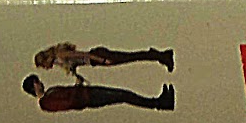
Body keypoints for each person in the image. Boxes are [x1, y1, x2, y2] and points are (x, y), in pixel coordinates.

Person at [22, 74, 174, 112]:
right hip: (89, 98)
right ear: (33, 87)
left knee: (123, 95)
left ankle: (158, 102)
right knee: (123, 96)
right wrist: (77, 87)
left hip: (88, 94)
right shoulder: (46, 102)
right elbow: (69, 103)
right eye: (37, 82)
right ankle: (159, 103)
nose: (40, 83)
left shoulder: (49, 93)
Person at [33, 42, 174, 80]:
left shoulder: (61, 55)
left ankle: (159, 55)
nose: (46, 68)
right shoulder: (58, 61)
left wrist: (103, 60)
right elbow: (74, 64)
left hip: (97, 56)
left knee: (130, 57)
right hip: (96, 60)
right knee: (130, 58)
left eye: (43, 65)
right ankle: (158, 55)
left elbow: (83, 54)